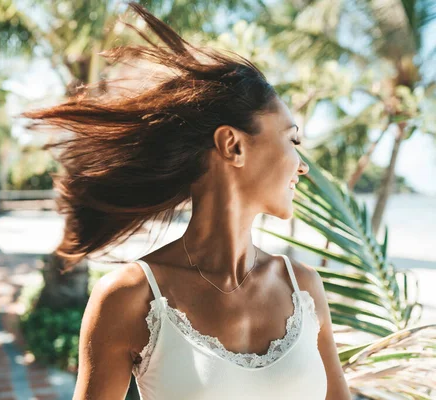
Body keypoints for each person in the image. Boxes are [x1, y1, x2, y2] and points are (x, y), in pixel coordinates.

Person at [22, 3, 351, 399]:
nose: (303, 167)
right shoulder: (131, 298)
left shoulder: (304, 289)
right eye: (292, 139)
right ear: (233, 145)